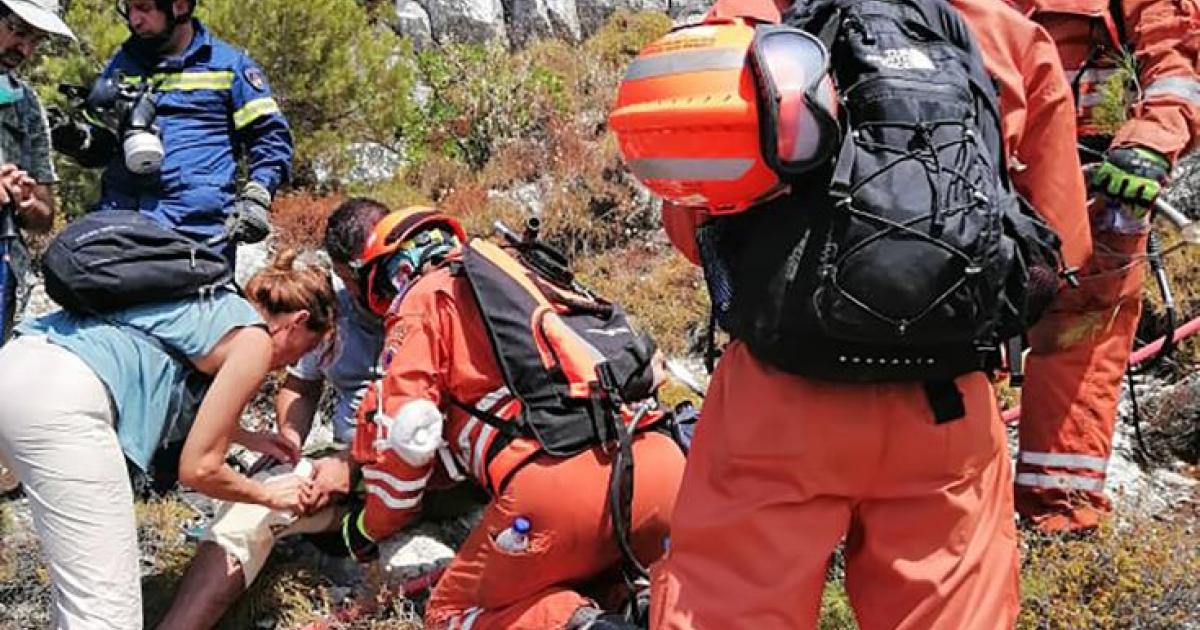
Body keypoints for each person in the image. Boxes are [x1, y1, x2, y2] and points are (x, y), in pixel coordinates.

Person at [646, 0, 1092, 628]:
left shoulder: (743, 25)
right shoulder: (1008, 35)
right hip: (948, 408)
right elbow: (1065, 247)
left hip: (777, 398)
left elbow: (692, 228)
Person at [331, 206, 684, 630]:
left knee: (449, 615)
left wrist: (366, 526)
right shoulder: (524, 272)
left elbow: (405, 439)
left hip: (558, 488)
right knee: (616, 582)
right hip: (657, 464)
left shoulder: (423, 301)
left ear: (389, 275)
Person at [0, 250, 336, 629]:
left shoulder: (209, 301)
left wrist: (248, 437)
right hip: (63, 406)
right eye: (305, 349)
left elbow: (163, 385)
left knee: (78, 587)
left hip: (20, 364)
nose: (288, 365)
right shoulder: (255, 340)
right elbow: (199, 470)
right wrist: (271, 496)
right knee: (106, 615)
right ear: (297, 322)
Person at [1007, 0, 1200, 534]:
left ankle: (1061, 522)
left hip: (1098, 184)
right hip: (985, 177)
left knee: (1082, 336)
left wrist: (1148, 144)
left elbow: (1176, 62)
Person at [157, 198, 392, 630]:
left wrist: (352, 462)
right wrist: (291, 439)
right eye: (348, 277)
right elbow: (302, 384)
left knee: (260, 506)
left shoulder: (433, 301)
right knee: (266, 495)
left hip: (405, 464)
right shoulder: (333, 304)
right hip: (346, 462)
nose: (360, 289)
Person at [51, 0, 293, 264]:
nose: (134, 20)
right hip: (120, 228)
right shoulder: (124, 64)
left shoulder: (229, 67)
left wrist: (257, 197)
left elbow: (270, 139)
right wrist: (80, 140)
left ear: (179, 6)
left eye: (143, 8)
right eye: (128, 9)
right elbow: (112, 147)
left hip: (196, 236)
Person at [0, 0, 75, 334]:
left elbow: (44, 217)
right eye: (18, 31)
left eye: (37, 39)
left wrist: (29, 201)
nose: (25, 49)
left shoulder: (26, 104)